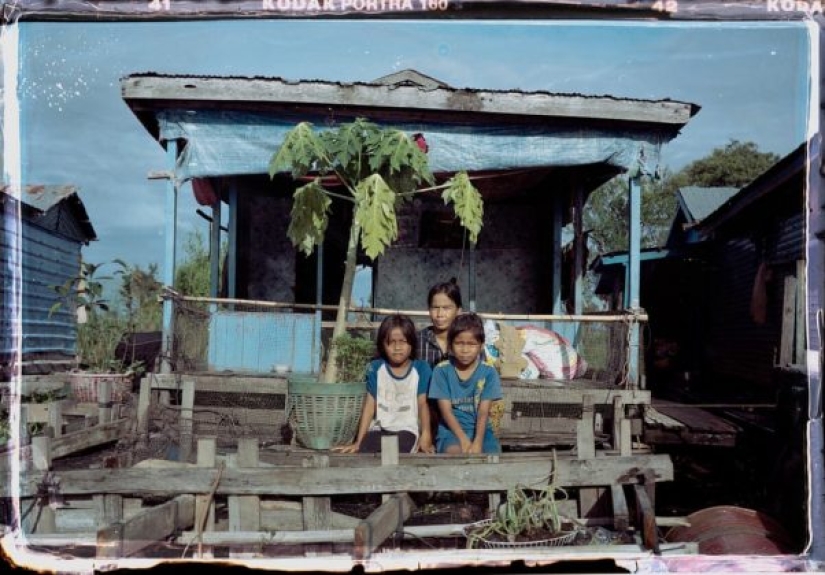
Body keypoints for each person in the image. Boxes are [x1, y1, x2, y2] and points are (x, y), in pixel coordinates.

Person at [333, 314, 434, 454]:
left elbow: (423, 404)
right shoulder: (376, 368)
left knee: (397, 451)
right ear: (382, 344)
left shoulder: (421, 369)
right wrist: (358, 441)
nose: (397, 347)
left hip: (407, 430)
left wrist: (426, 435)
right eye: (391, 342)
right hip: (379, 429)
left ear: (411, 343)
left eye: (403, 341)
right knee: (366, 449)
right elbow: (370, 405)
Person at [428, 312, 502, 454]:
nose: (465, 350)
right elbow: (446, 412)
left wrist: (477, 442)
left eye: (471, 344)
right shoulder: (441, 371)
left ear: (481, 346)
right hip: (450, 431)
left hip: (482, 431)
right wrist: (463, 440)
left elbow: (483, 412)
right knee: (454, 454)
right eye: (459, 343)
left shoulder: (489, 372)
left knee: (491, 457)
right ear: (450, 345)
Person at [418, 279, 462, 368]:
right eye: (435, 307)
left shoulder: (469, 342)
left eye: (446, 308)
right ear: (429, 310)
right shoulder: (416, 341)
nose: (440, 314)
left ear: (458, 311)